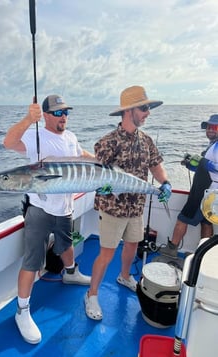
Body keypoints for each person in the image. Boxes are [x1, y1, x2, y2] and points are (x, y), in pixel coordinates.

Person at [3, 95, 93, 344]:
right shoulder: (35, 136)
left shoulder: (71, 137)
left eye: (66, 112)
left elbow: (82, 154)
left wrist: (103, 165)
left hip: (65, 207)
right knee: (33, 261)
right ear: (45, 115)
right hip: (40, 209)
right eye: (57, 112)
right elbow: (8, 142)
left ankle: (71, 273)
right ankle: (22, 311)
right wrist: (27, 119)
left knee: (66, 245)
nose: (63, 116)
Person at [84, 85, 171, 321]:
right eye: (144, 108)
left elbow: (155, 165)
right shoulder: (107, 142)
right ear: (128, 111)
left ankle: (124, 276)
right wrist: (101, 186)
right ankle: (91, 295)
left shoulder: (146, 140)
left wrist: (164, 182)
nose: (148, 113)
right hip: (113, 209)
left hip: (136, 207)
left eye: (149, 108)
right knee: (107, 253)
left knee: (133, 244)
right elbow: (96, 175)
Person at [160, 114, 218, 258]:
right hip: (209, 194)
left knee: (183, 218)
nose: (210, 130)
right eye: (208, 127)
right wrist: (190, 164)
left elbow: (211, 166)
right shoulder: (213, 144)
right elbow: (205, 168)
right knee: (206, 223)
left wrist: (203, 162)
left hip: (204, 193)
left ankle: (172, 250)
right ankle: (202, 256)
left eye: (215, 127)